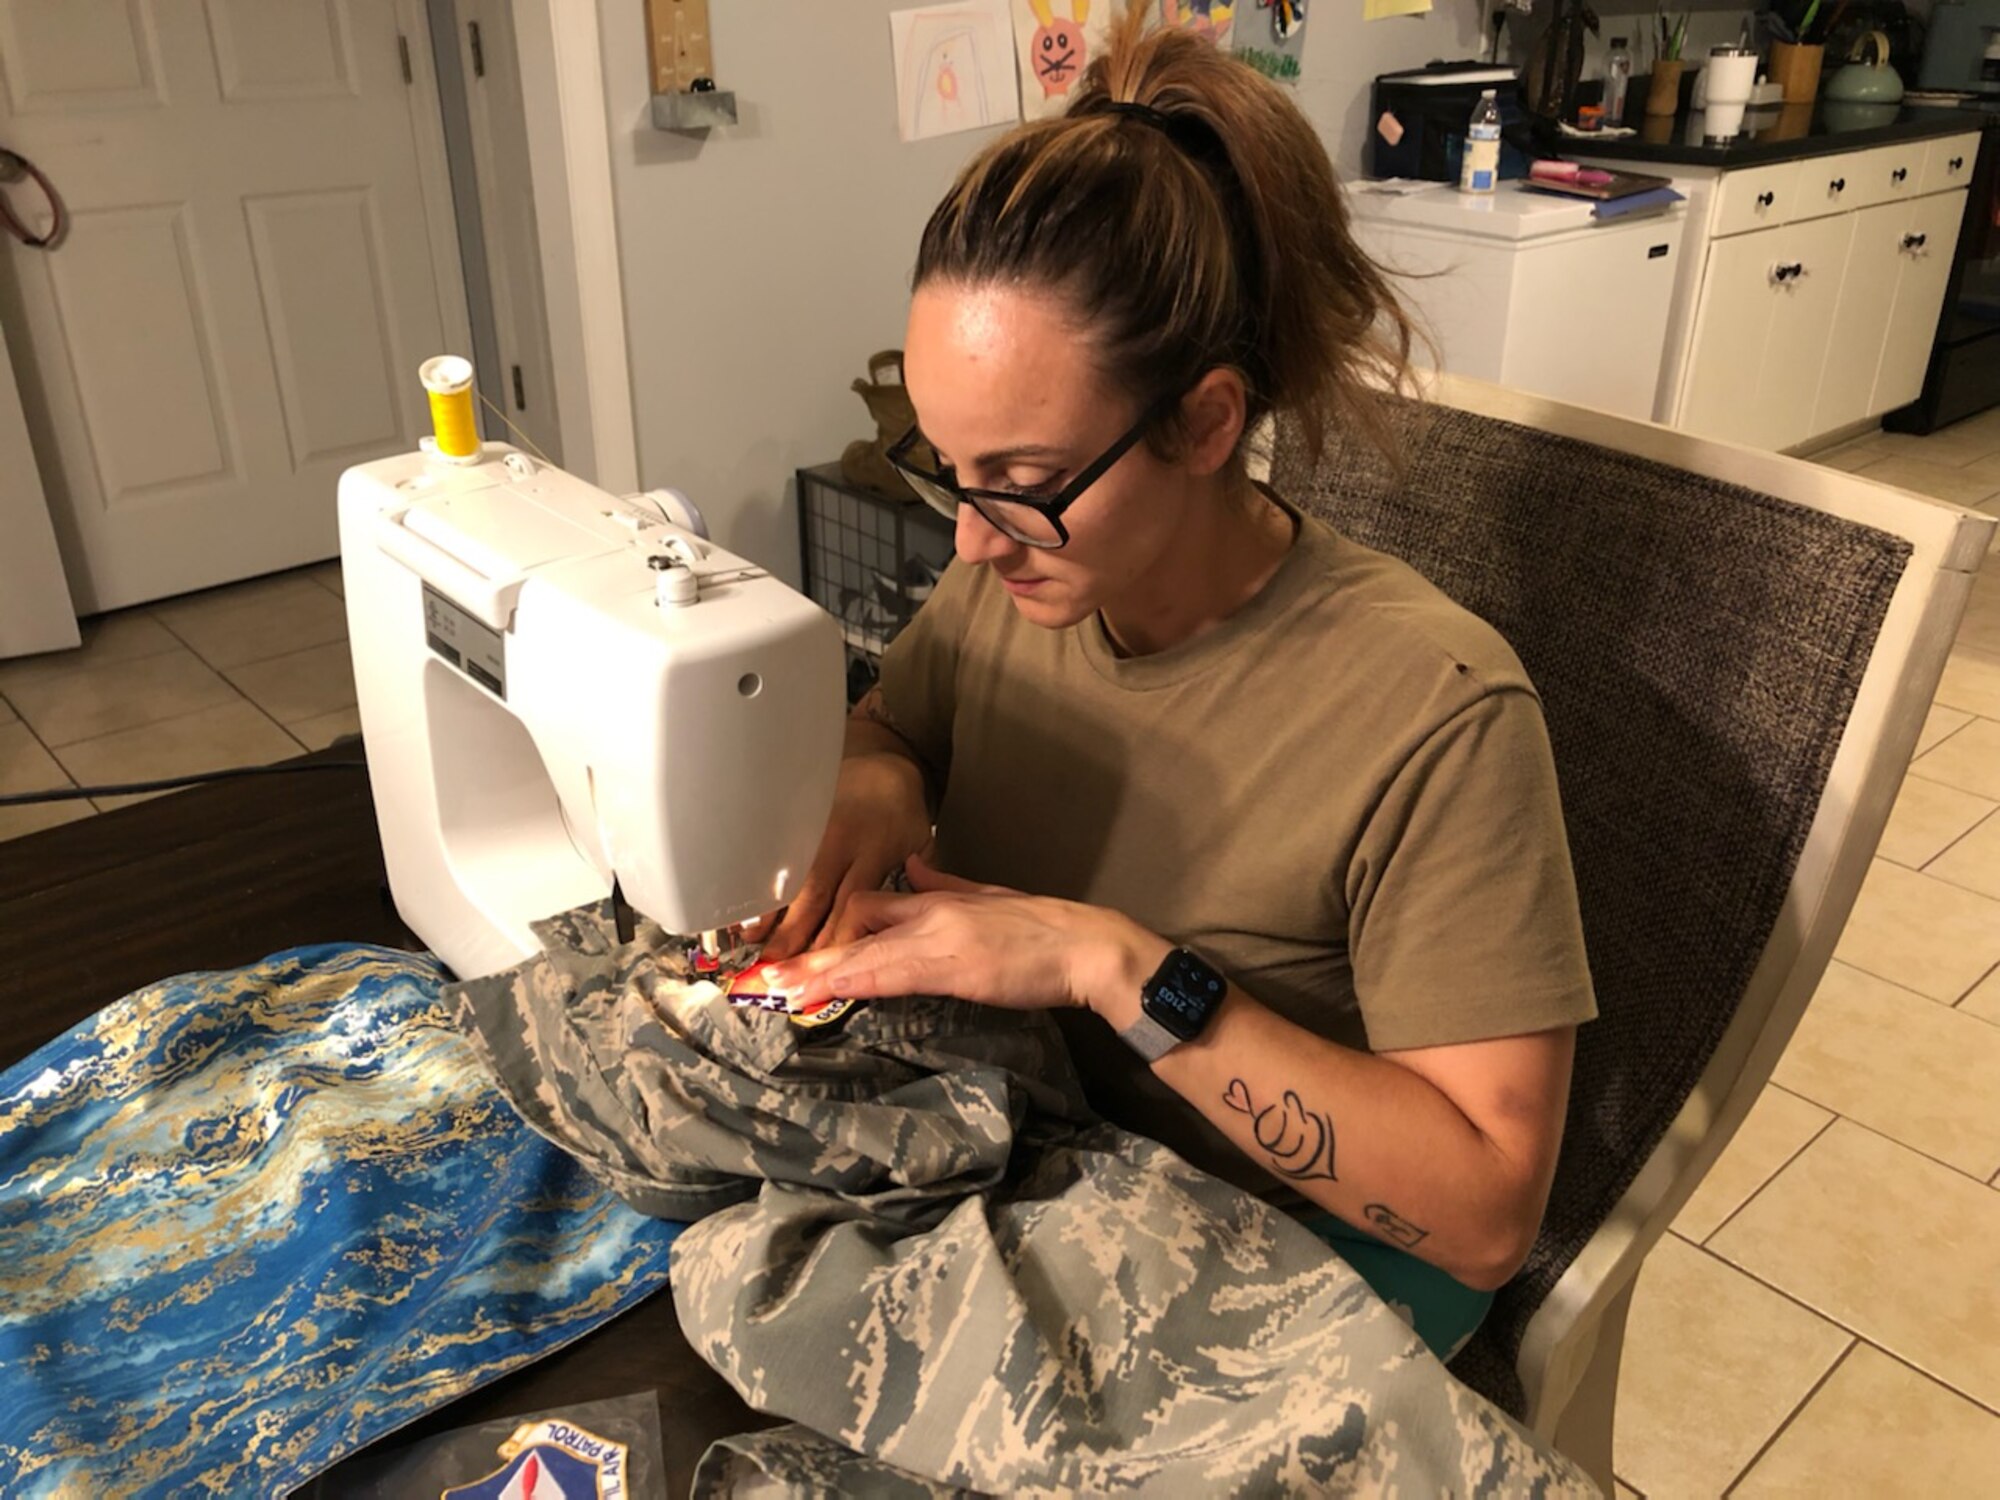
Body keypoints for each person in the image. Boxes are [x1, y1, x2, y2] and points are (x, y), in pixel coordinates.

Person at [762, 3, 1596, 1361]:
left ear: (1206, 420)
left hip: (1272, 1262)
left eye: (1023, 487)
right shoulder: (1018, 578)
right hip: (1024, 1175)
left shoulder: (1437, 718)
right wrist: (871, 785)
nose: (968, 539)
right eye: (949, 471)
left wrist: (1107, 961)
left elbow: (1489, 1214)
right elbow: (896, 719)